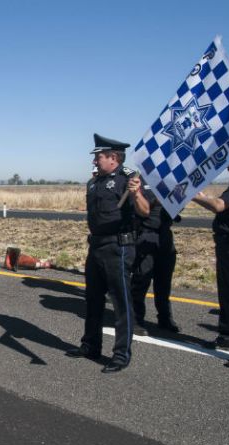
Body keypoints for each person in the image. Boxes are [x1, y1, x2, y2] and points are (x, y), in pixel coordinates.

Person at [66, 134, 150, 373]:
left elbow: (144, 212)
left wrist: (136, 194)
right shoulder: (93, 183)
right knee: (92, 299)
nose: (95, 161)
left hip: (118, 248)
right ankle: (90, 345)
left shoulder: (129, 180)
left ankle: (121, 354)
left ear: (113, 158)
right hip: (96, 247)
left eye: (99, 157)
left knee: (121, 302)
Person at [192, 140, 229, 369]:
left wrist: (194, 196)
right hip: (226, 245)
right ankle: (228, 336)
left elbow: (220, 206)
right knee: (227, 293)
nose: (226, 163)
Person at [130, 186, 181, 335]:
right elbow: (140, 210)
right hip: (146, 234)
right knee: (140, 281)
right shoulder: (142, 184)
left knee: (164, 282)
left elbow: (176, 213)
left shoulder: (169, 183)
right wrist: (156, 201)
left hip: (165, 235)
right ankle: (135, 319)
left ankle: (165, 318)